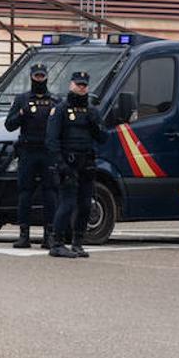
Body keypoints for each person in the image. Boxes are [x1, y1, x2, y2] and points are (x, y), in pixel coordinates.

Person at [45, 71, 105, 259]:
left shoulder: (91, 111)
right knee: (68, 204)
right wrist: (60, 164)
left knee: (86, 205)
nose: (81, 87)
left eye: (84, 85)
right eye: (78, 84)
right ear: (71, 85)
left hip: (86, 164)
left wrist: (96, 125)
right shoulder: (60, 110)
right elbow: (51, 140)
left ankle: (77, 243)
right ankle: (57, 243)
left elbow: (103, 138)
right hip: (67, 165)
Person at [5, 62, 58, 249]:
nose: (39, 79)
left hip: (47, 153)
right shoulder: (22, 99)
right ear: (31, 77)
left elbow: (60, 127)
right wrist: (20, 114)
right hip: (28, 151)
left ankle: (49, 235)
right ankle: (24, 235)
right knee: (25, 193)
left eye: (42, 76)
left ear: (46, 77)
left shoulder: (54, 101)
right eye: (36, 76)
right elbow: (9, 125)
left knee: (49, 193)